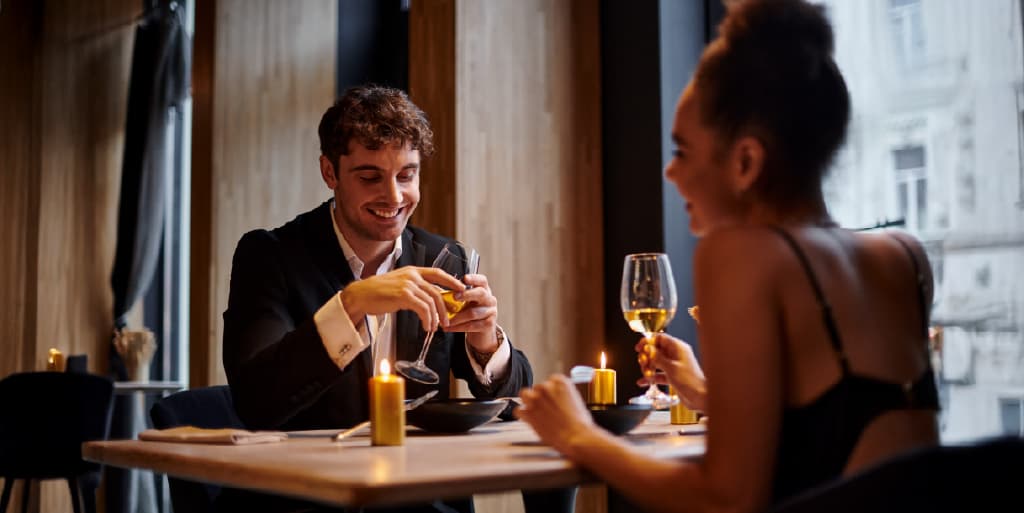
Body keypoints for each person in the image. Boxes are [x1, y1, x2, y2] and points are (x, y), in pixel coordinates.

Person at [516, 1, 941, 512]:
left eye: (682, 152)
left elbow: (727, 501)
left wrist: (578, 435)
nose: (670, 174)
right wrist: (703, 392)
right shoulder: (904, 258)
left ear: (745, 163)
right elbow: (836, 442)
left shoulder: (743, 254)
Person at [220, 85, 534, 513]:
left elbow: (517, 401)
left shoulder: (446, 259)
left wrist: (485, 344)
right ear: (330, 173)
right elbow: (257, 400)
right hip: (309, 496)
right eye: (370, 177)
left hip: (421, 499)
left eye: (407, 175)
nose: (394, 196)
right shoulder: (270, 256)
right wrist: (351, 305)